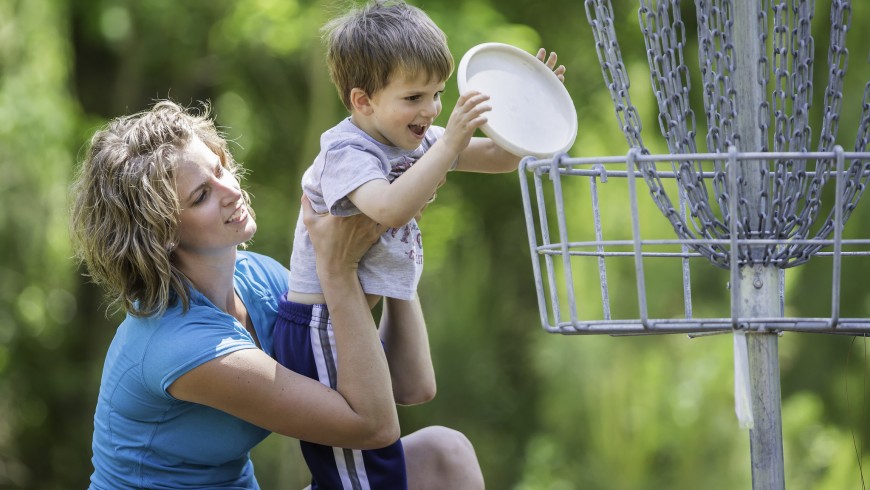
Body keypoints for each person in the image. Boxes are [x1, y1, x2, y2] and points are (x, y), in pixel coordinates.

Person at [69, 100, 484, 489]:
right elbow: (372, 428)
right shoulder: (181, 345)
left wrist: (394, 239)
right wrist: (337, 271)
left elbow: (408, 384)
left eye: (220, 168)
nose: (229, 190)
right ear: (161, 236)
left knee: (444, 456)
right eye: (201, 195)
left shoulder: (261, 282)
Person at [283, 1, 565, 487]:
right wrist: (450, 144)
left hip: (351, 318)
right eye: (414, 96)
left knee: (380, 454)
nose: (432, 110)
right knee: (364, 465)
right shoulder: (346, 151)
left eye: (437, 93)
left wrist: (531, 108)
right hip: (319, 327)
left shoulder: (412, 138)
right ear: (363, 101)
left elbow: (500, 158)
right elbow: (389, 208)